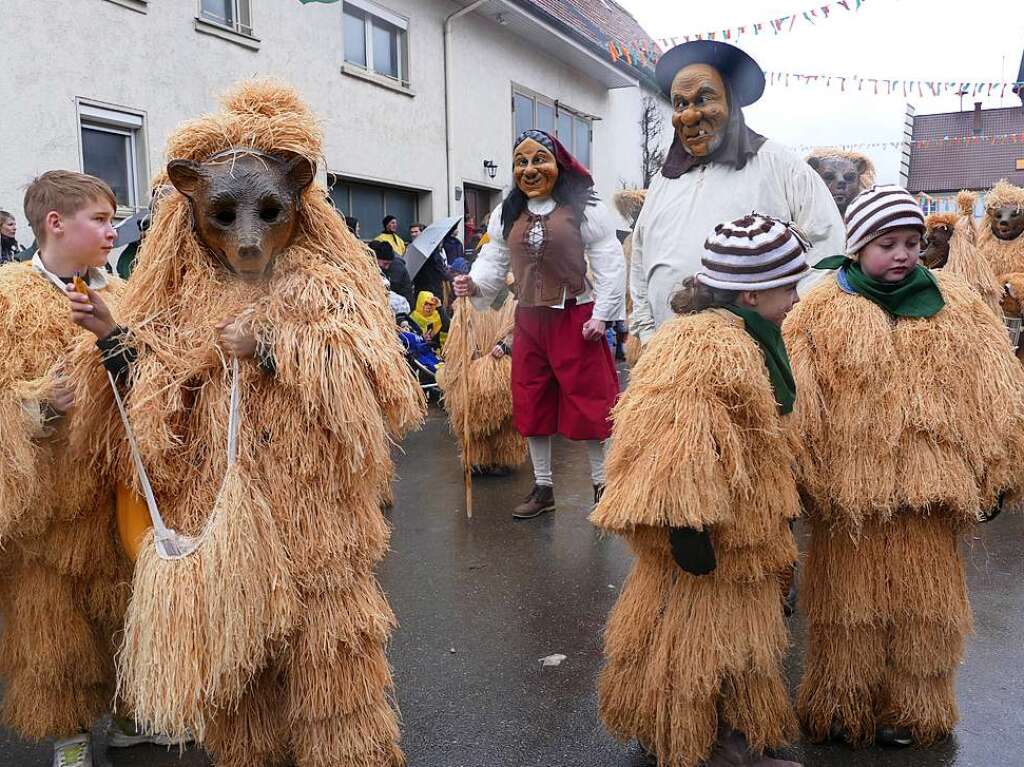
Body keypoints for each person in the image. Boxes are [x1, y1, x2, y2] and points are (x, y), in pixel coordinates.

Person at [66, 81, 424, 767]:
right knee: (238, 677)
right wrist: (116, 343)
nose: (249, 237)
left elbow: (380, 386)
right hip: (216, 516)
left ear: (297, 197)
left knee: (333, 665)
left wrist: (270, 347)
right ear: (192, 206)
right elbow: (140, 408)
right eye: (225, 215)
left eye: (268, 212)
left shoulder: (327, 282)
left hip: (313, 519)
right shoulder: (173, 292)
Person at [784, 185, 1024, 748]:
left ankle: (912, 709)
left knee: (926, 614)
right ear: (857, 246)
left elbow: (999, 399)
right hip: (849, 501)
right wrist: (797, 477)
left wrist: (1000, 475)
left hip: (931, 495)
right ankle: (842, 704)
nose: (903, 255)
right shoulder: (819, 309)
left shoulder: (958, 306)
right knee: (847, 611)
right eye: (886, 243)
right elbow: (798, 402)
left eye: (912, 243)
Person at [592, 214, 806, 767]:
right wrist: (687, 528)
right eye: (790, 286)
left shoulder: (752, 336)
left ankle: (714, 733)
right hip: (712, 536)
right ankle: (703, 743)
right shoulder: (707, 349)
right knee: (702, 645)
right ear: (752, 292)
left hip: (745, 533)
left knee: (733, 641)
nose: (797, 297)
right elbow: (676, 445)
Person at [0, 171, 166, 767]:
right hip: (45, 507)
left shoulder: (121, 293)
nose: (113, 230)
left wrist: (114, 336)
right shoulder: (8, 297)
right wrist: (38, 404)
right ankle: (68, 738)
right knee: (53, 625)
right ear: (55, 223)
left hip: (114, 491)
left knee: (123, 610)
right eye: (100, 219)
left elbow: (152, 376)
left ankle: (128, 719)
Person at [454, 129, 625, 516]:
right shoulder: (507, 213)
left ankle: (603, 486)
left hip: (576, 317)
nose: (530, 169)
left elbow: (610, 261)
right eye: (521, 162)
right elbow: (494, 262)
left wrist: (602, 315)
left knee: (590, 402)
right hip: (529, 318)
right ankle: (543, 488)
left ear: (558, 164)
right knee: (532, 401)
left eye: (538, 160)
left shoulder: (585, 208)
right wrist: (474, 283)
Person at [629, 40, 844, 344]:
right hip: (669, 354)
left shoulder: (779, 165)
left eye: (703, 99)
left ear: (731, 103)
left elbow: (827, 250)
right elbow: (639, 257)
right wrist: (646, 331)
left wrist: (788, 329)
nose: (690, 116)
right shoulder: (664, 180)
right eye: (680, 104)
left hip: (757, 358)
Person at [409, 221, 454, 303]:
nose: (413, 234)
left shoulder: (430, 249)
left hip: (432, 287)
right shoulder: (412, 249)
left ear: (422, 232)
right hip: (423, 287)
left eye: (416, 232)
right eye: (411, 232)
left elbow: (438, 267)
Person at [371, 238, 414, 308]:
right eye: (385, 264)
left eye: (388, 264)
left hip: (402, 305)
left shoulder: (397, 268)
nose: (387, 267)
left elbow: (389, 289)